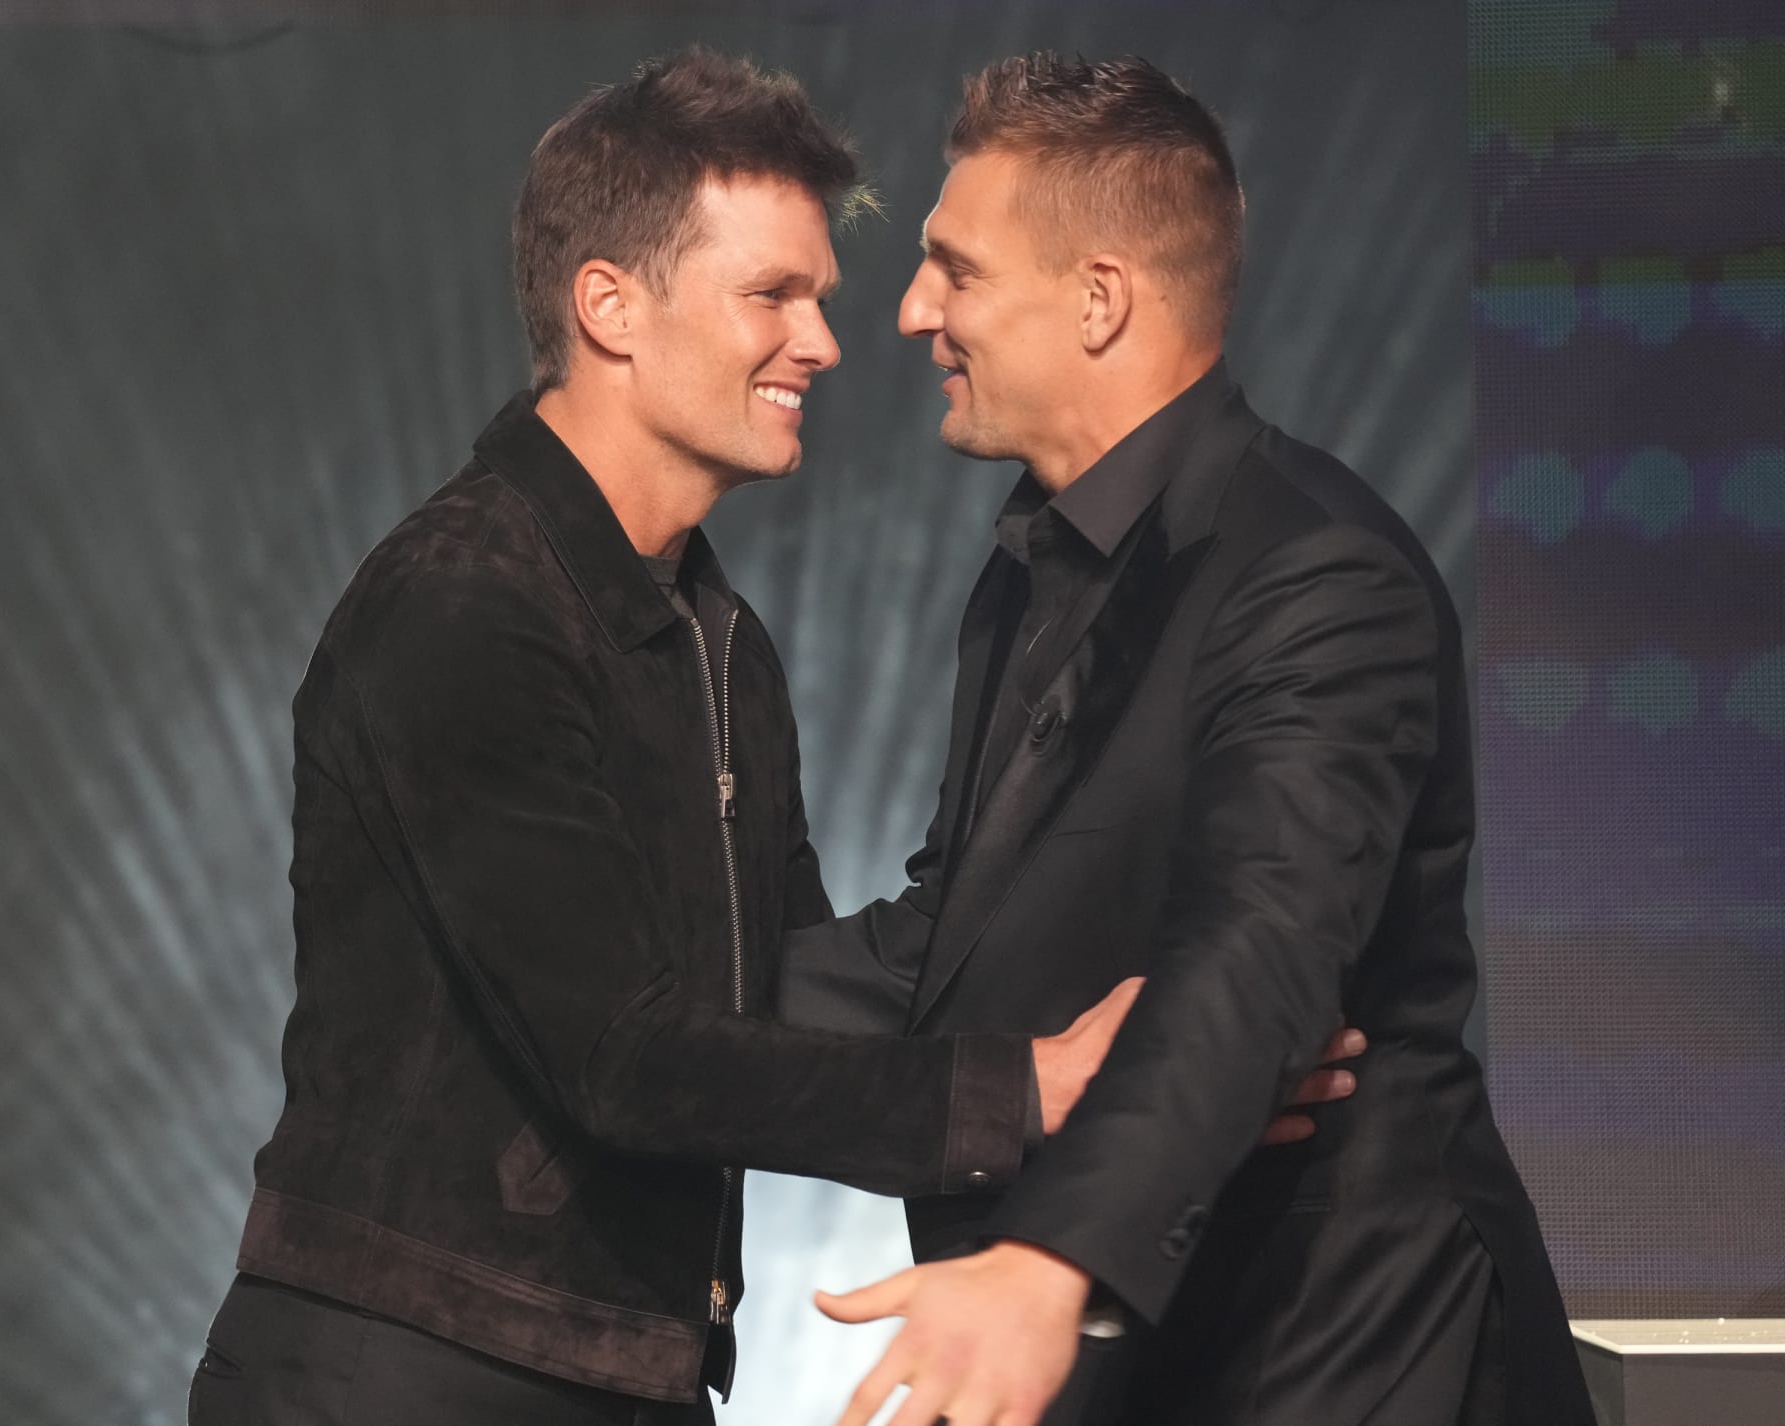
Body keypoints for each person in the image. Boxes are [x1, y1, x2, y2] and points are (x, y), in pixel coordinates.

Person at [186, 49, 1146, 1426]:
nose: (822, 341)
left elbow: (790, 998)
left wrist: (1145, 1061)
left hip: (626, 1374)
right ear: (609, 307)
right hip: (401, 1376)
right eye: (774, 293)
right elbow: (628, 1056)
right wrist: (1027, 1085)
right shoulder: (464, 602)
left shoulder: (718, 641)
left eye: (817, 294)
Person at [788, 54, 1596, 1426]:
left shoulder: (1318, 574)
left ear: (1099, 298)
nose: (916, 311)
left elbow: (1259, 954)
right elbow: (956, 941)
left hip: (1346, 1336)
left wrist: (1047, 1264)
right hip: (1167, 1357)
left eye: (956, 270)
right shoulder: (1028, 575)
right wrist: (650, 1005)